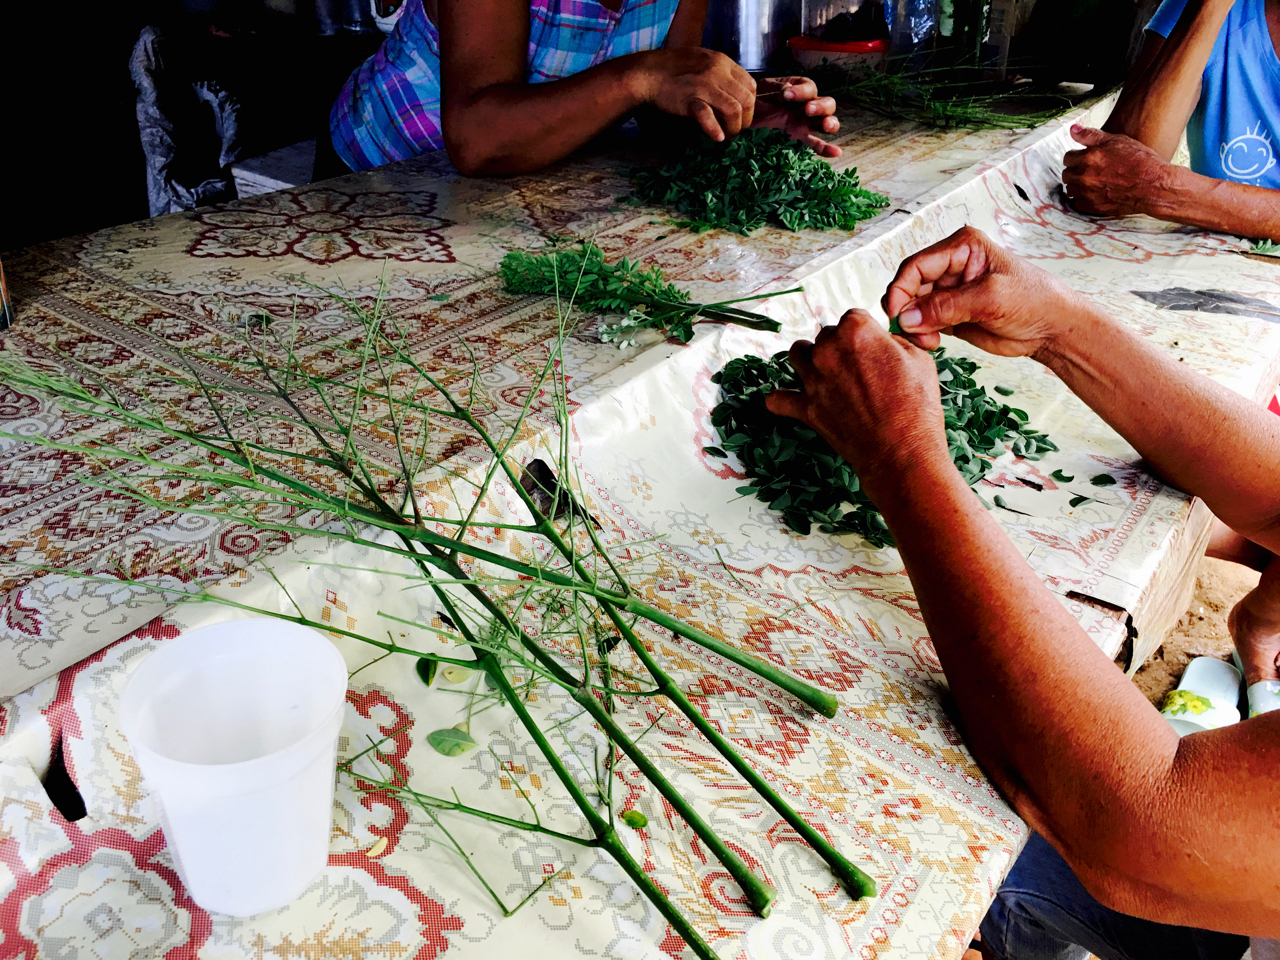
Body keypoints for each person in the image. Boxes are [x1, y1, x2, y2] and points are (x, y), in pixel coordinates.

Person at [766, 225, 1280, 960]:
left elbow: (1141, 823)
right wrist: (1059, 327)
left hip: (1191, 866)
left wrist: (902, 456)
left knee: (924, 816)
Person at [314, 0, 841, 179]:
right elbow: (477, 138)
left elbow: (665, 102)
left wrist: (739, 113)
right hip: (382, 178)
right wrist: (640, 75)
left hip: (520, 182)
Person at [1060, 0, 1280, 240]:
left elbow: (1134, 180)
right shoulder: (1199, 7)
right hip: (1214, 265)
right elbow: (1113, 174)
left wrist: (1160, 187)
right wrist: (1210, 6)